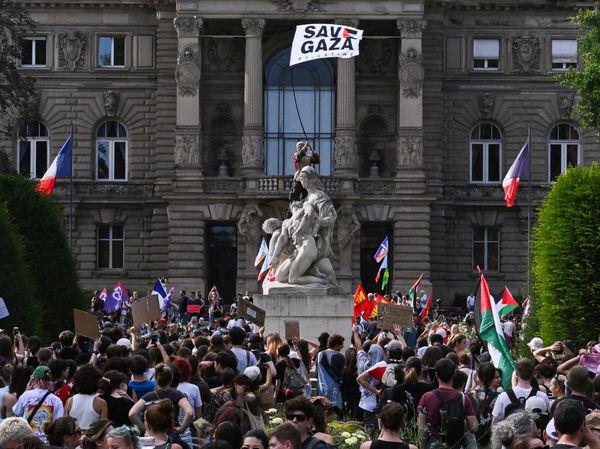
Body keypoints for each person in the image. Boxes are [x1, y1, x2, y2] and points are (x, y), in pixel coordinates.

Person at [417, 359, 477, 449]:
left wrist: (421, 446)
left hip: (434, 444)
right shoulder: (463, 398)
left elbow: (421, 429)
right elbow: (474, 427)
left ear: (436, 375)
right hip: (457, 445)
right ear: (453, 375)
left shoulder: (427, 397)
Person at [12, 365, 64, 443]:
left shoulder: (26, 395)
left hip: (27, 442)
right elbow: (59, 423)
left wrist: (26, 390)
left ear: (34, 379)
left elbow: (17, 413)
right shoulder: (56, 400)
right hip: (47, 443)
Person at [492, 358, 549, 423]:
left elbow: (494, 424)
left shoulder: (503, 397)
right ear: (533, 373)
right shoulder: (542, 396)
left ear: (517, 374)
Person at [65, 364, 108, 429]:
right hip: (92, 437)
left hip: (74, 437)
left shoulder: (69, 401)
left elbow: (65, 425)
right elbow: (104, 428)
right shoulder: (101, 403)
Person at [315, 334, 345, 408]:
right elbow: (342, 373)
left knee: (323, 409)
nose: (342, 346)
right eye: (341, 344)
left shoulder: (320, 354)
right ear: (336, 344)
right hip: (334, 387)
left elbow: (316, 369)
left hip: (321, 387)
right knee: (335, 410)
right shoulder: (339, 356)